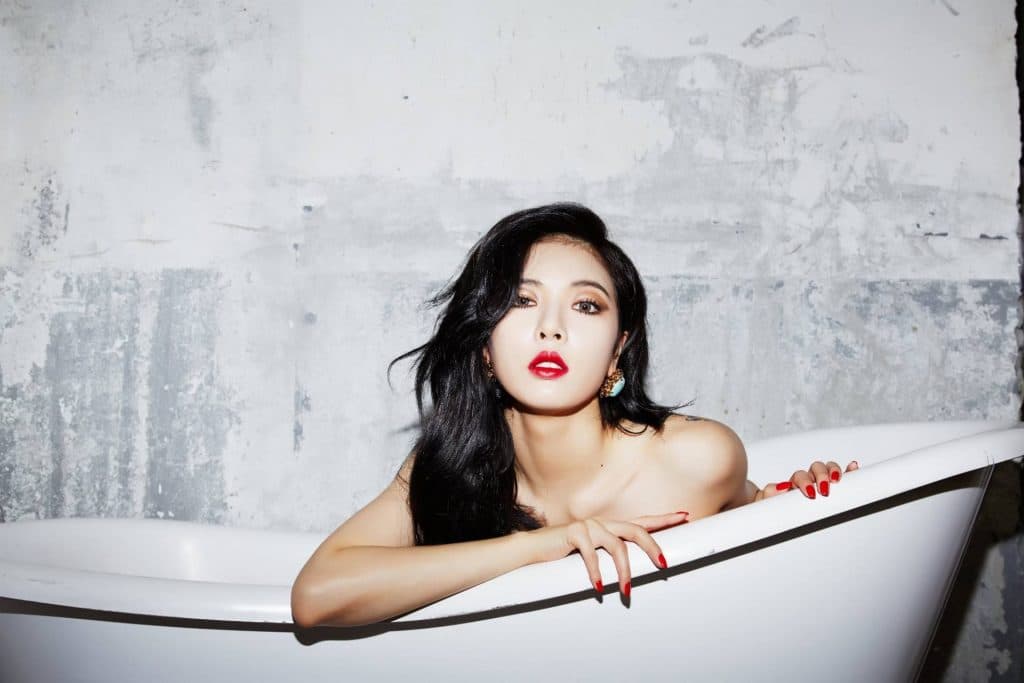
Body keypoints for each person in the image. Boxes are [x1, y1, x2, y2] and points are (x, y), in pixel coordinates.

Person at [290, 202, 858, 628]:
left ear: (617, 349)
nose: (551, 328)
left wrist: (796, 504)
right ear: (484, 346)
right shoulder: (452, 465)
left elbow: (752, 525)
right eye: (522, 300)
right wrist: (539, 547)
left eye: (586, 305)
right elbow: (317, 597)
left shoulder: (695, 457)